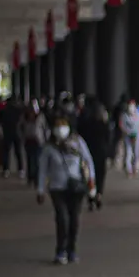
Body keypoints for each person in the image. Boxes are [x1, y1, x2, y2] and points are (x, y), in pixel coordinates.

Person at [36, 113, 96, 265]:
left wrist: (91, 180)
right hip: (57, 188)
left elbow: (88, 160)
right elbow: (42, 169)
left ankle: (72, 250)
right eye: (58, 125)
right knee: (62, 219)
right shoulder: (49, 147)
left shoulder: (78, 142)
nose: (60, 128)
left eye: (63, 125)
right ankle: (60, 250)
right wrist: (40, 190)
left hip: (76, 187)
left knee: (74, 220)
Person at [76, 99, 112, 210]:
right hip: (101, 153)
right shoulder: (104, 125)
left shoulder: (85, 124)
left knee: (89, 176)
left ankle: (91, 197)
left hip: (88, 153)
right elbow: (108, 139)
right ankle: (99, 194)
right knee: (100, 175)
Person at [20, 101, 49, 188]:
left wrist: (45, 139)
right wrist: (22, 136)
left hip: (38, 142)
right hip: (28, 141)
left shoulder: (40, 117)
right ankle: (30, 178)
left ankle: (37, 179)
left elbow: (45, 128)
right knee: (29, 160)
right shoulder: (24, 118)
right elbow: (20, 127)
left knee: (37, 161)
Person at [0, 95, 25, 178]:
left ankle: (6, 169)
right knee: (18, 152)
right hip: (17, 133)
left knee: (6, 152)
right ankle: (20, 169)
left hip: (7, 133)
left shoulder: (4, 111)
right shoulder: (19, 110)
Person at [119, 97, 139, 178]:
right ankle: (129, 170)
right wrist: (128, 133)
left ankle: (135, 168)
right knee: (128, 153)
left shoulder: (138, 113)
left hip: (137, 136)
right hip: (127, 136)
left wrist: (138, 133)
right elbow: (122, 125)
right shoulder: (124, 115)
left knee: (136, 153)